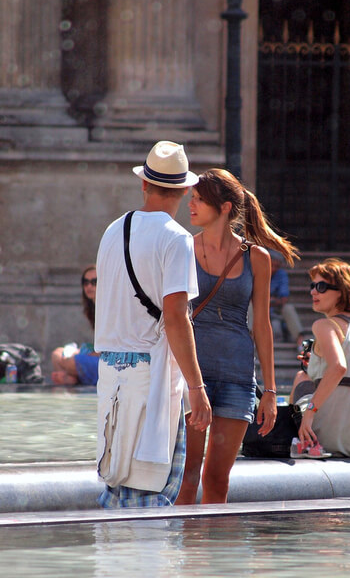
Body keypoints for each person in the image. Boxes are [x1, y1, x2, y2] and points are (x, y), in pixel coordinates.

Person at [94, 140, 212, 508]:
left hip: (110, 370)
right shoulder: (176, 239)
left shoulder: (113, 230)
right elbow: (176, 318)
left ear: (144, 184)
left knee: (116, 485)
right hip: (151, 372)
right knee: (152, 492)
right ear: (184, 190)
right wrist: (197, 386)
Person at [176, 169, 296, 504]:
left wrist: (270, 391)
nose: (191, 203)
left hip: (237, 377)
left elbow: (262, 325)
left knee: (217, 479)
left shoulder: (256, 257)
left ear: (225, 207)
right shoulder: (183, 248)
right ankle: (185, 554)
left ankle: (215, 554)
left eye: (199, 199)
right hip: (191, 376)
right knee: (185, 477)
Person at [290, 258, 350, 458]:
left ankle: (297, 438)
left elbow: (338, 368)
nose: (313, 292)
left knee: (302, 377)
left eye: (321, 286)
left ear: (342, 291)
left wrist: (309, 412)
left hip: (328, 436)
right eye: (312, 286)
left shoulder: (324, 325)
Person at [50, 265, 100, 385]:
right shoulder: (92, 308)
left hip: (108, 360)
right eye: (85, 282)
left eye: (94, 282)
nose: (89, 286)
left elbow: (108, 347)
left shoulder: (109, 308)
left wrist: (83, 355)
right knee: (56, 354)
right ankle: (71, 377)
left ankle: (71, 379)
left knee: (70, 361)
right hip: (95, 354)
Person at [269, 249, 305, 347]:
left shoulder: (281, 275)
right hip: (258, 310)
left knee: (288, 308)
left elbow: (284, 299)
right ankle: (250, 338)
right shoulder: (256, 272)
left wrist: (270, 301)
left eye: (276, 266)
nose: (273, 269)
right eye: (271, 265)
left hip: (275, 310)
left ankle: (300, 340)